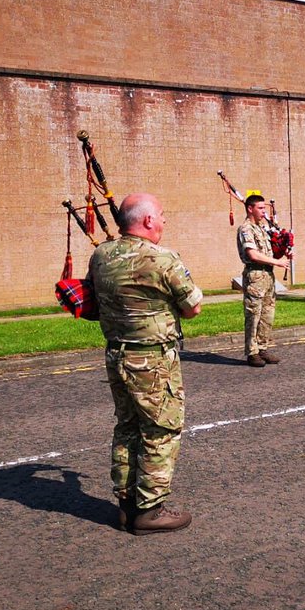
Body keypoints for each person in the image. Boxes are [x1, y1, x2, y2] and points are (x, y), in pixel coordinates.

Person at [88, 193, 203, 535]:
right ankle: (150, 509)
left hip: (117, 353)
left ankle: (126, 504)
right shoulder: (162, 259)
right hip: (152, 358)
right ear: (148, 221)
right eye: (162, 216)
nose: (165, 222)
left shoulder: (101, 256)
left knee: (127, 427)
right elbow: (192, 306)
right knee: (160, 430)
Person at [237, 194, 290, 367]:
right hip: (255, 276)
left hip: (268, 276)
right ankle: (252, 353)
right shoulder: (246, 229)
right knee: (253, 315)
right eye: (260, 208)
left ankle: (262, 347)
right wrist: (278, 262)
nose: (263, 211)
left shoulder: (262, 228)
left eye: (264, 208)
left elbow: (270, 251)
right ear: (250, 208)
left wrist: (283, 253)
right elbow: (253, 254)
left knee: (268, 314)